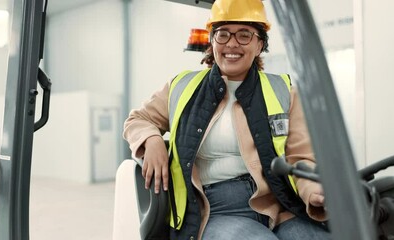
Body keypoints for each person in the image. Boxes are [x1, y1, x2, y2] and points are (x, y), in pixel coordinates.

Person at [123, 0, 331, 239]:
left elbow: (301, 158)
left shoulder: (284, 91)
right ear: (212, 41)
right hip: (214, 211)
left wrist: (313, 191)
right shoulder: (181, 87)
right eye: (222, 34)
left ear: (259, 43)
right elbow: (137, 119)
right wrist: (152, 139)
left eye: (244, 34)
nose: (232, 43)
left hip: (280, 204)